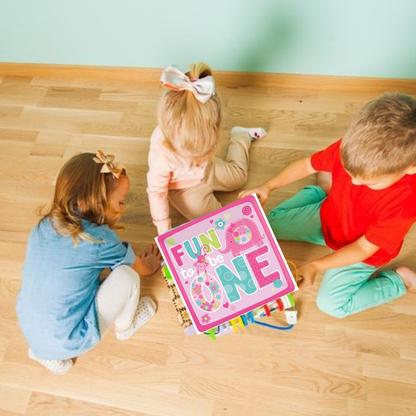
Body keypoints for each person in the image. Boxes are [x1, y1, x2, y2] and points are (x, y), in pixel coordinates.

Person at [240, 93, 416, 318]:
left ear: (411, 167)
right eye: (349, 172)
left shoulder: (405, 204)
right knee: (269, 224)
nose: (353, 182)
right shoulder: (351, 149)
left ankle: (399, 282)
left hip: (362, 251)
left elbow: (363, 248)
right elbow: (307, 164)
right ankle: (321, 189)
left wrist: (315, 266)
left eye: (367, 182)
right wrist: (268, 186)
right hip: (330, 219)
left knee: (332, 305)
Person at [16, 150, 161, 374]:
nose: (124, 208)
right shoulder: (98, 239)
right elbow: (135, 266)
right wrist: (149, 266)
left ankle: (46, 355)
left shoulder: (43, 226)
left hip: (31, 329)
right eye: (121, 202)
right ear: (96, 203)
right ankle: (126, 328)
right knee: (127, 276)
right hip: (72, 338)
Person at [147, 62, 266, 235]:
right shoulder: (161, 154)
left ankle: (241, 135)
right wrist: (163, 228)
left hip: (209, 170)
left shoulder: (207, 128)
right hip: (184, 190)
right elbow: (156, 192)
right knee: (218, 225)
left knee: (239, 178)